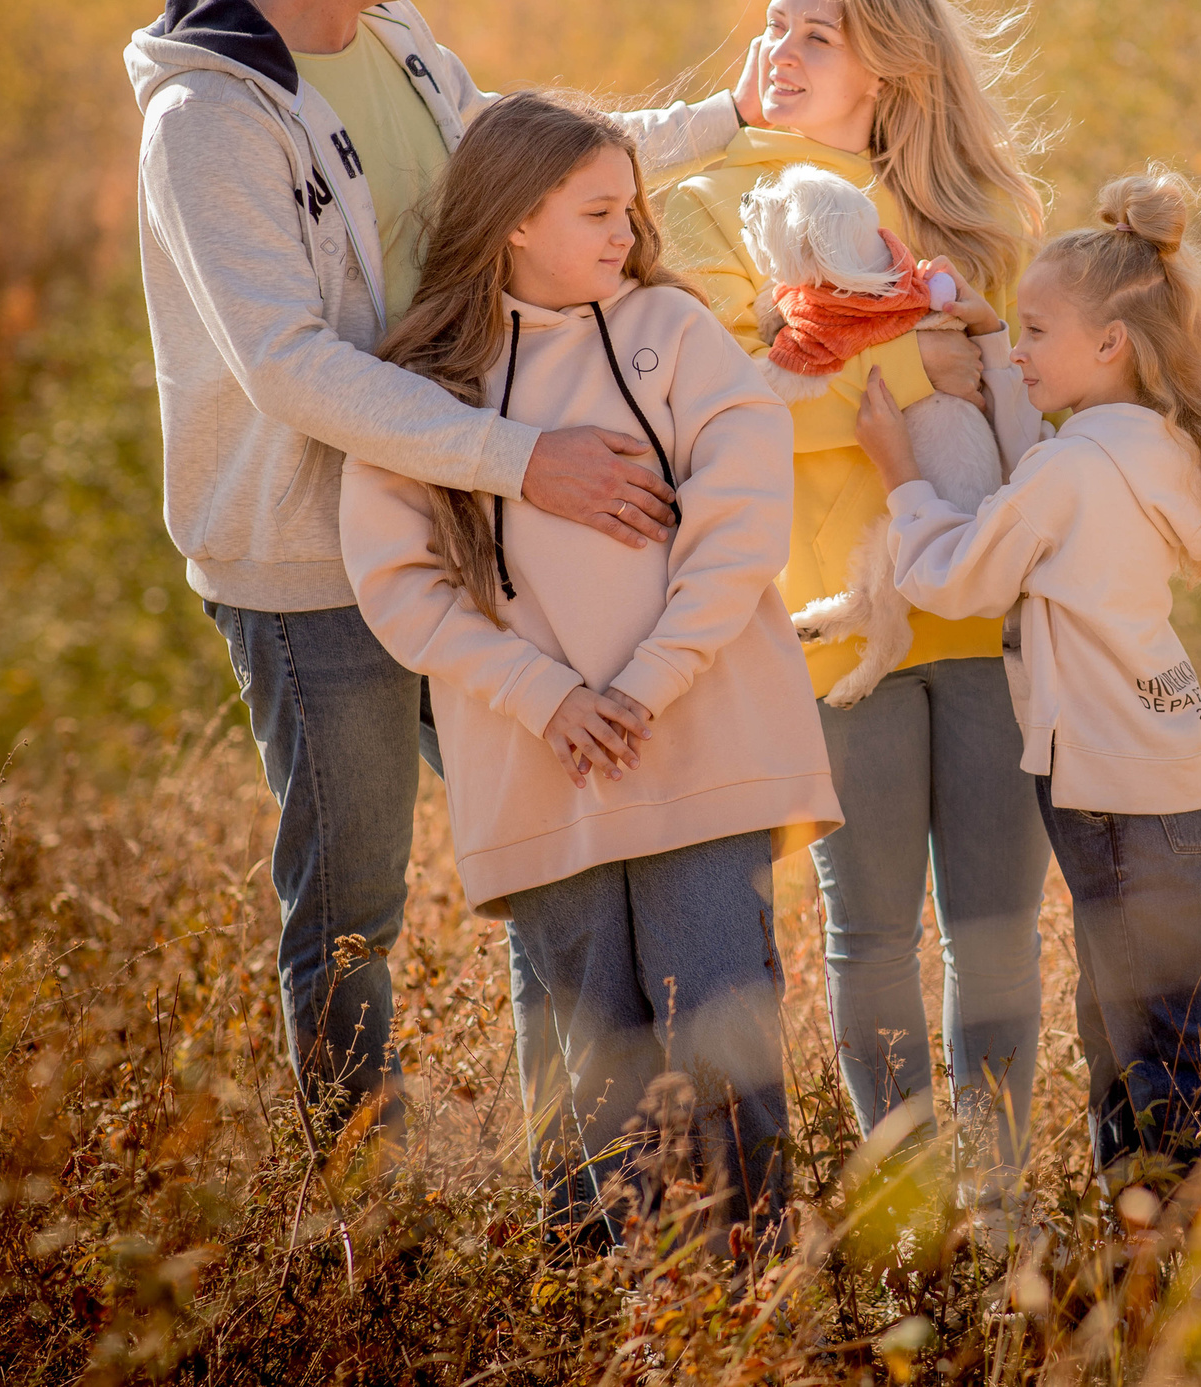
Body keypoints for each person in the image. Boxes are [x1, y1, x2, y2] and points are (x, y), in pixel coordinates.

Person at [123, 0, 766, 1177]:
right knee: (354, 908)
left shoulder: (404, 39)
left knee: (558, 850)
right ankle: (370, 1201)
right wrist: (523, 458)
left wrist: (723, 114)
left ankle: (598, 1181)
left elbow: (521, 178)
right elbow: (286, 365)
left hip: (472, 528)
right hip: (310, 568)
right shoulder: (208, 119)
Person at [341, 90, 838, 1249]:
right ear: (514, 218)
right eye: (597, 211)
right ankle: (603, 1320)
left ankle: (752, 1302)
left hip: (700, 740)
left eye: (629, 209)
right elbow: (399, 584)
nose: (626, 234)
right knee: (589, 1075)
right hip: (542, 764)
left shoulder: (673, 333)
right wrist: (550, 699)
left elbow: (744, 515)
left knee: (721, 1038)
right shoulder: (423, 383)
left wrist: (646, 683)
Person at [664, 0, 1050, 1227]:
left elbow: (1021, 408)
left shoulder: (977, 221)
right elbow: (732, 407)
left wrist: (935, 373)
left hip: (992, 617)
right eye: (773, 25)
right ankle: (908, 1206)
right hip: (840, 622)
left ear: (885, 67)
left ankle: (999, 1202)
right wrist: (907, 380)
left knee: (995, 932)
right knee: (872, 932)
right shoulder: (718, 202)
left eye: (813, 35)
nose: (777, 52)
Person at [853, 169, 1201, 1180]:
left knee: (1158, 1043)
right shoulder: (1153, 446)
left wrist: (899, 474)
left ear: (1109, 347)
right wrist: (1006, 359)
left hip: (1108, 792)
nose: (1013, 350)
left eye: (1032, 333)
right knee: (1135, 1018)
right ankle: (1141, 1237)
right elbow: (1054, 447)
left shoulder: (1069, 472)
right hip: (1169, 771)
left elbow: (960, 576)